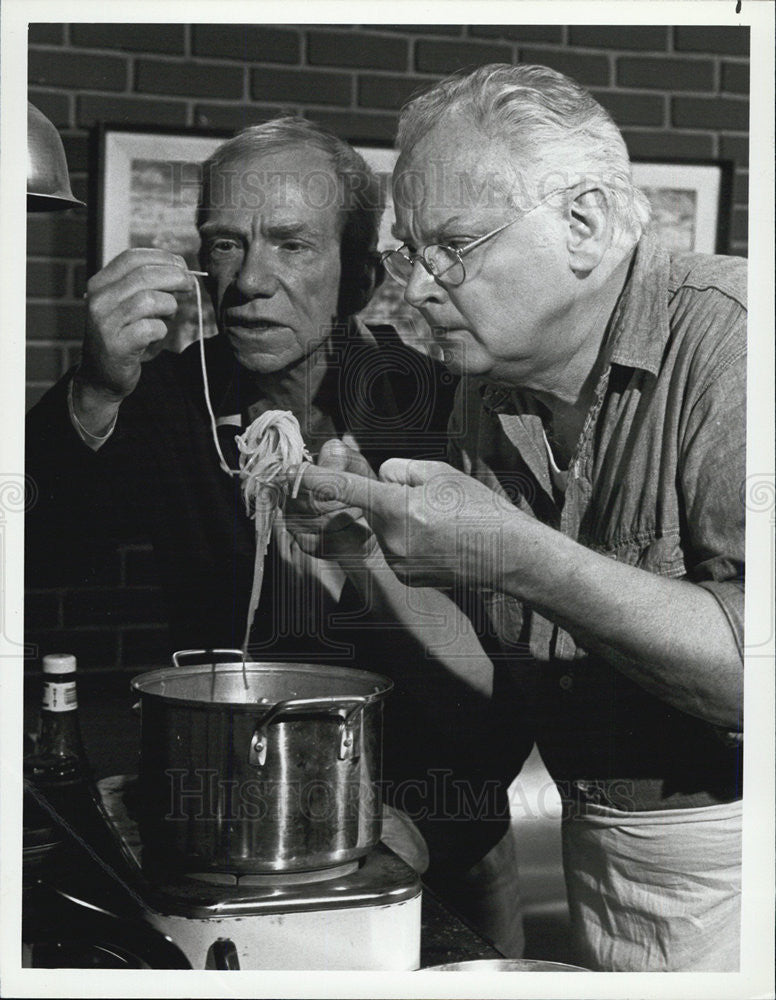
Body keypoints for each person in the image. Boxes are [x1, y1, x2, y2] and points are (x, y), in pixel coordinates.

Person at [25, 117, 526, 956]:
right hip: (233, 831)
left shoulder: (444, 406)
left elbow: (515, 669)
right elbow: (43, 553)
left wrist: (430, 826)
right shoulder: (162, 400)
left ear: (360, 276)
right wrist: (92, 393)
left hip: (439, 837)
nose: (249, 279)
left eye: (292, 245)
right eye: (225, 245)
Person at [290, 65, 746, 972]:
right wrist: (364, 555)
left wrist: (520, 554)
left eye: (452, 246)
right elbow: (498, 678)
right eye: (408, 253)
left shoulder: (739, 343)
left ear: (583, 223)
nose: (415, 291)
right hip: (603, 856)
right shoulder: (488, 396)